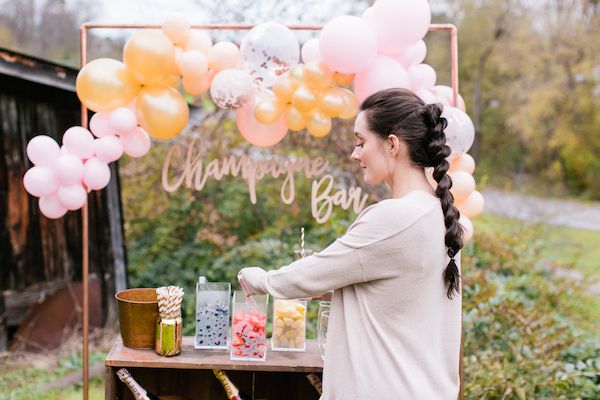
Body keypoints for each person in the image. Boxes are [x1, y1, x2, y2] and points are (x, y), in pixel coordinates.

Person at [237, 88, 464, 400]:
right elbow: (395, 293)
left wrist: (257, 278)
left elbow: (304, 276)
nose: (356, 154)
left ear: (393, 144)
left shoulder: (395, 217)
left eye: (361, 142)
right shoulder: (438, 215)